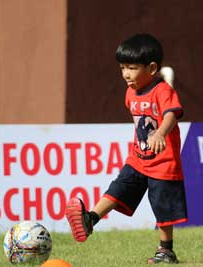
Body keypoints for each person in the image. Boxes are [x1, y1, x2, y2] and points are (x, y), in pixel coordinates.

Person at [65, 33, 188, 265]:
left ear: (152, 68)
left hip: (163, 163)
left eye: (131, 68)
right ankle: (90, 219)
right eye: (122, 68)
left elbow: (171, 114)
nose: (125, 74)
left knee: (161, 207)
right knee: (118, 188)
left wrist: (161, 133)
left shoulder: (162, 90)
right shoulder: (130, 92)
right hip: (138, 159)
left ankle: (166, 250)